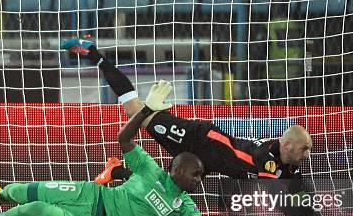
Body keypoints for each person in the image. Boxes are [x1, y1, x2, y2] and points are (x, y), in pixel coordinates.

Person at [0, 82, 209, 216]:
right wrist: (147, 110)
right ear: (177, 170)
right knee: (31, 190)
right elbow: (124, 138)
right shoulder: (149, 169)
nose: (199, 180)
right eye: (196, 174)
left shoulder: (182, 205)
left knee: (37, 209)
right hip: (88, 193)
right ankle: (0, 193)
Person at [60, 38, 312, 185]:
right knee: (135, 110)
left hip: (208, 160)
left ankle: (115, 171)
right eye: (304, 148)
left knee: (165, 187)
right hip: (199, 138)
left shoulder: (286, 163)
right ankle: (95, 54)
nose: (308, 154)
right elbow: (277, 193)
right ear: (288, 145)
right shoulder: (265, 158)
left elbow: (295, 193)